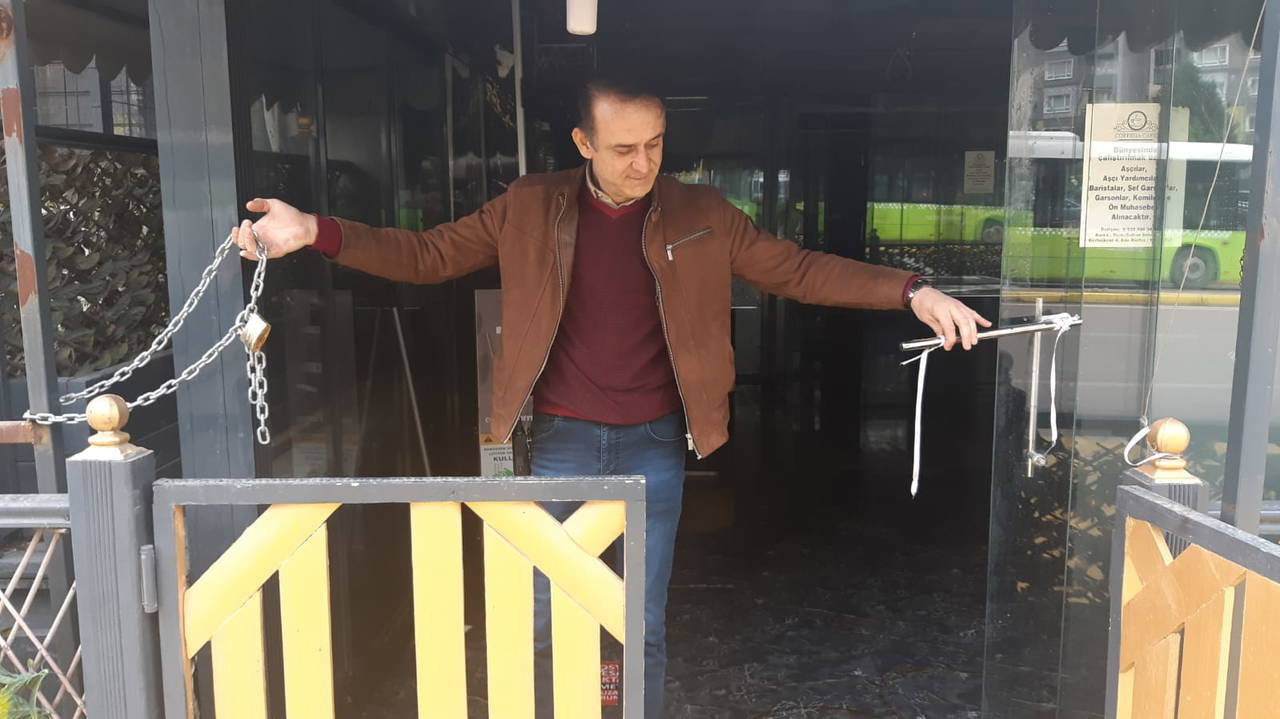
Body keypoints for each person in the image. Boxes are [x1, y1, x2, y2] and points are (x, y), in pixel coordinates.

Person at [233, 71, 990, 718]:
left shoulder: (701, 213)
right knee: (541, 613)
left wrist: (911, 290)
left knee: (639, 622)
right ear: (583, 143)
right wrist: (317, 231)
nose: (644, 163)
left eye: (655, 144)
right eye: (624, 148)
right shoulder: (528, 205)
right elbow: (428, 254)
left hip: (654, 441)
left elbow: (796, 269)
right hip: (558, 439)